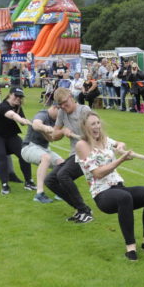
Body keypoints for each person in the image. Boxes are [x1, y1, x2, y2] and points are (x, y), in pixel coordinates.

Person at [75, 113, 144, 260]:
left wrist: (120, 146)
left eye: (98, 123)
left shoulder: (105, 140)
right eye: (92, 124)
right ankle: (130, 248)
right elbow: (98, 173)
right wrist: (121, 159)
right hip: (102, 194)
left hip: (119, 188)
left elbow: (119, 143)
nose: (97, 127)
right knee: (124, 197)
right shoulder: (82, 145)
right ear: (85, 127)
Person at [45, 87, 95, 223]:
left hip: (88, 153)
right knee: (50, 180)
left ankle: (85, 211)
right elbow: (54, 136)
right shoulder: (62, 113)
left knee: (63, 175)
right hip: (75, 153)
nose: (63, 107)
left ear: (71, 97)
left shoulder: (84, 110)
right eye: (59, 104)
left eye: (65, 103)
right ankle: (81, 209)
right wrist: (62, 131)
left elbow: (97, 132)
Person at [0, 87, 35, 195]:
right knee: (1, 157)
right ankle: (5, 185)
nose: (18, 98)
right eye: (16, 96)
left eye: (20, 97)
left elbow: (22, 121)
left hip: (10, 136)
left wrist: (33, 123)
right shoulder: (3, 106)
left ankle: (29, 181)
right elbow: (11, 115)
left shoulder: (17, 107)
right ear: (10, 94)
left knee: (24, 154)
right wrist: (20, 119)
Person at [21, 101, 64, 203]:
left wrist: (54, 133)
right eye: (61, 111)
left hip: (43, 149)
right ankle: (39, 194)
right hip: (28, 147)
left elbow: (52, 139)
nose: (62, 114)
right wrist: (45, 128)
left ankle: (60, 192)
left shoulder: (58, 120)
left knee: (62, 163)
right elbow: (36, 124)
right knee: (46, 158)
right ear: (54, 107)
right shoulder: (42, 114)